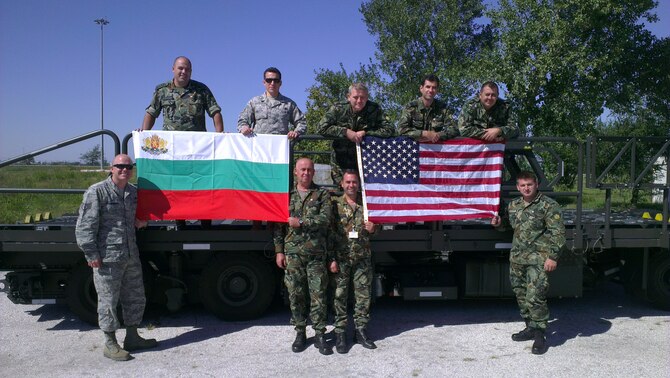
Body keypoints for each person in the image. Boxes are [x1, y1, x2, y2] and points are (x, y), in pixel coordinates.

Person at [75, 154, 157, 361]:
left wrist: (142, 221)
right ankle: (110, 343)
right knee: (108, 301)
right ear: (112, 168)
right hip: (107, 258)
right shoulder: (97, 192)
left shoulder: (133, 192)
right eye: (120, 166)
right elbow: (85, 226)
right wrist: (91, 253)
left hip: (130, 255)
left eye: (129, 167)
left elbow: (140, 216)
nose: (124, 170)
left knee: (135, 297)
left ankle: (132, 337)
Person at [142, 56, 223, 229]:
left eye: (187, 69)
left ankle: (205, 223)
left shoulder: (201, 89)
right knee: (178, 186)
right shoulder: (162, 90)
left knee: (201, 184)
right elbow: (151, 113)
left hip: (199, 149)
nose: (183, 72)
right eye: (180, 68)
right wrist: (144, 135)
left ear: (191, 71)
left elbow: (215, 111)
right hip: (173, 150)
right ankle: (181, 223)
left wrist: (220, 135)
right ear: (173, 69)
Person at [491, 171, 565, 355]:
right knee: (521, 294)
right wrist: (498, 224)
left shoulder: (548, 205)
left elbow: (558, 234)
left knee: (535, 295)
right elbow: (508, 227)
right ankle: (530, 326)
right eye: (522, 185)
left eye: (529, 184)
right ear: (517, 187)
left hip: (538, 259)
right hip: (517, 258)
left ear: (536, 184)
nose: (526, 188)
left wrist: (553, 257)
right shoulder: (514, 205)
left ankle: (540, 334)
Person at [273, 157, 333, 355]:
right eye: (302, 170)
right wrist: (279, 251)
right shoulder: (287, 196)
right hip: (293, 255)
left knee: (318, 296)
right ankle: (300, 332)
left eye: (309, 170)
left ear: (313, 173)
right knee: (296, 294)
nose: (306, 173)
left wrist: (301, 222)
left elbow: (325, 219)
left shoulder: (322, 195)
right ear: (295, 173)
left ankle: (320, 334)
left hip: (316, 255)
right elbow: (278, 226)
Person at [330, 170, 378, 354]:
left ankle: (360, 331)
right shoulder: (334, 206)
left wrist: (374, 229)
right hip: (341, 258)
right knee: (339, 296)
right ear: (341, 184)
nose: (351, 185)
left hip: (362, 259)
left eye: (354, 182)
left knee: (363, 297)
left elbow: (378, 227)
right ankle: (340, 333)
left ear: (358, 184)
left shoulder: (366, 204)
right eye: (348, 182)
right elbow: (329, 234)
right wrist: (331, 258)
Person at [317, 83, 395, 184]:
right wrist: (345, 132)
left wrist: (366, 133)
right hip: (340, 162)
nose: (359, 101)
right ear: (348, 97)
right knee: (340, 194)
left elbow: (390, 129)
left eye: (362, 97)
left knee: (364, 194)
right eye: (355, 97)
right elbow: (321, 128)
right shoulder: (338, 108)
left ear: (367, 98)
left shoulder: (375, 109)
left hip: (367, 162)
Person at [237, 67, 307, 140]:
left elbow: (301, 122)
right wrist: (244, 127)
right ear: (264, 82)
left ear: (280, 83)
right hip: (259, 147)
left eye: (276, 80)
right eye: (269, 80)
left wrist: (296, 132)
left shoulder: (289, 104)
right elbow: (242, 119)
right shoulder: (254, 102)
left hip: (280, 148)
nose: (272, 83)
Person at [397, 74, 459, 142]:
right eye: (428, 87)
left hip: (436, 150)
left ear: (437, 90)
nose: (431, 90)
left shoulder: (443, 108)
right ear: (421, 88)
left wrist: (437, 135)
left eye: (434, 87)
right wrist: (424, 134)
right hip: (415, 149)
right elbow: (401, 129)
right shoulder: (411, 107)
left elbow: (454, 129)